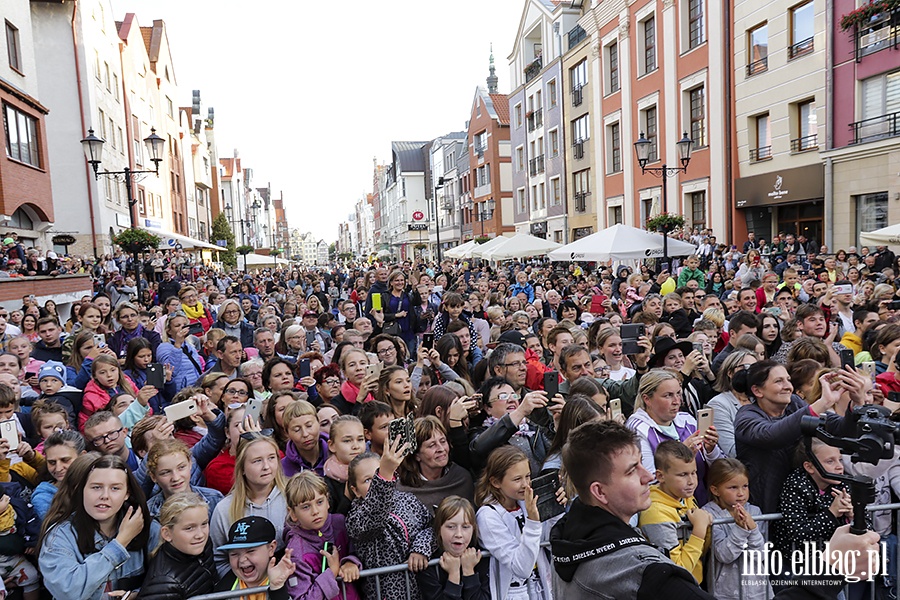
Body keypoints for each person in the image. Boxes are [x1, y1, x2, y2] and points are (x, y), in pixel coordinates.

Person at [38, 453, 160, 600]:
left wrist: (139, 595)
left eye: (115, 488)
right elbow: (68, 592)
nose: (104, 495)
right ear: (82, 490)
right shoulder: (60, 536)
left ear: (127, 493)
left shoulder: (149, 529)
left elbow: (171, 581)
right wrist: (120, 543)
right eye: (96, 487)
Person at [346, 440, 434, 600]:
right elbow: (374, 518)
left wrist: (420, 548)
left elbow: (434, 528)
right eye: (368, 480)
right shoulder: (356, 516)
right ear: (355, 490)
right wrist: (384, 476)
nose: (375, 483)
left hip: (421, 589)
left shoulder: (408, 500)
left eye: (378, 475)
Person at [475, 445, 564, 600]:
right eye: (517, 479)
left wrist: (556, 509)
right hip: (512, 593)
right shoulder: (487, 516)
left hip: (543, 588)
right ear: (496, 482)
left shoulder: (525, 503)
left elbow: (555, 538)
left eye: (528, 476)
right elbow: (521, 567)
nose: (526, 484)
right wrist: (533, 521)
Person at [210, 431, 289, 577]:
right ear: (242, 468)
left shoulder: (291, 497)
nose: (266, 466)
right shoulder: (224, 509)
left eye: (271, 458)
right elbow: (219, 559)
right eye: (257, 461)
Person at [638, 440, 711, 585]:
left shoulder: (686, 497)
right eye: (682, 475)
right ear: (660, 476)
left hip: (693, 583)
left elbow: (702, 549)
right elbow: (677, 569)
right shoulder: (656, 513)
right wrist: (700, 529)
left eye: (694, 473)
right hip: (673, 588)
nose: (691, 481)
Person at [282, 471, 362, 600]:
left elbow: (359, 551)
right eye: (306, 507)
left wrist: (351, 562)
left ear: (328, 501)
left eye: (319, 502)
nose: (315, 511)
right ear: (293, 513)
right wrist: (332, 572)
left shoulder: (340, 523)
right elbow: (302, 597)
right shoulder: (295, 550)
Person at [701, 458, 770, 599]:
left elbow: (761, 554)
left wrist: (753, 528)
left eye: (745, 486)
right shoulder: (709, 514)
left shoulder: (755, 512)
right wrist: (741, 529)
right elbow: (724, 555)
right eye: (733, 487)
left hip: (757, 590)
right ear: (715, 490)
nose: (741, 493)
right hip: (725, 592)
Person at [139, 491, 218, 600]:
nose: (200, 535)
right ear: (167, 534)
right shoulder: (163, 583)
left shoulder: (202, 544)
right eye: (189, 528)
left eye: (204, 524)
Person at [417, 495, 491, 600]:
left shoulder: (480, 556)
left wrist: (469, 571)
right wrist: (453, 575)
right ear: (439, 529)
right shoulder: (428, 564)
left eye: (465, 527)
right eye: (451, 527)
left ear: (473, 529)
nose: (459, 534)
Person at [398, 416, 475, 510]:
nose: (441, 449)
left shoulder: (462, 479)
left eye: (443, 441)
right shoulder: (403, 488)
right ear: (416, 455)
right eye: (432, 445)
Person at [214, 516, 296, 599]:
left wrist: (278, 589)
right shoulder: (223, 589)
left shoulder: (288, 580)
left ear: (271, 548)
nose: (242, 560)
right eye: (234, 554)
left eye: (250, 551)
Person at [145, 439, 223, 520]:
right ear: (153, 477)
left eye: (181, 467)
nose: (176, 478)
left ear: (190, 464)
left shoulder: (215, 499)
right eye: (165, 472)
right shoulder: (148, 512)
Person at [32, 429, 86, 519]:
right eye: (52, 462)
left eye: (65, 460)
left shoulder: (101, 481)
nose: (58, 468)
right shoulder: (43, 499)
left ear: (83, 456)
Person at [281, 399, 329, 477]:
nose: (305, 434)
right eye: (297, 430)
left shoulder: (337, 455)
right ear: (287, 433)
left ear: (318, 423)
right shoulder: (282, 469)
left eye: (309, 426)